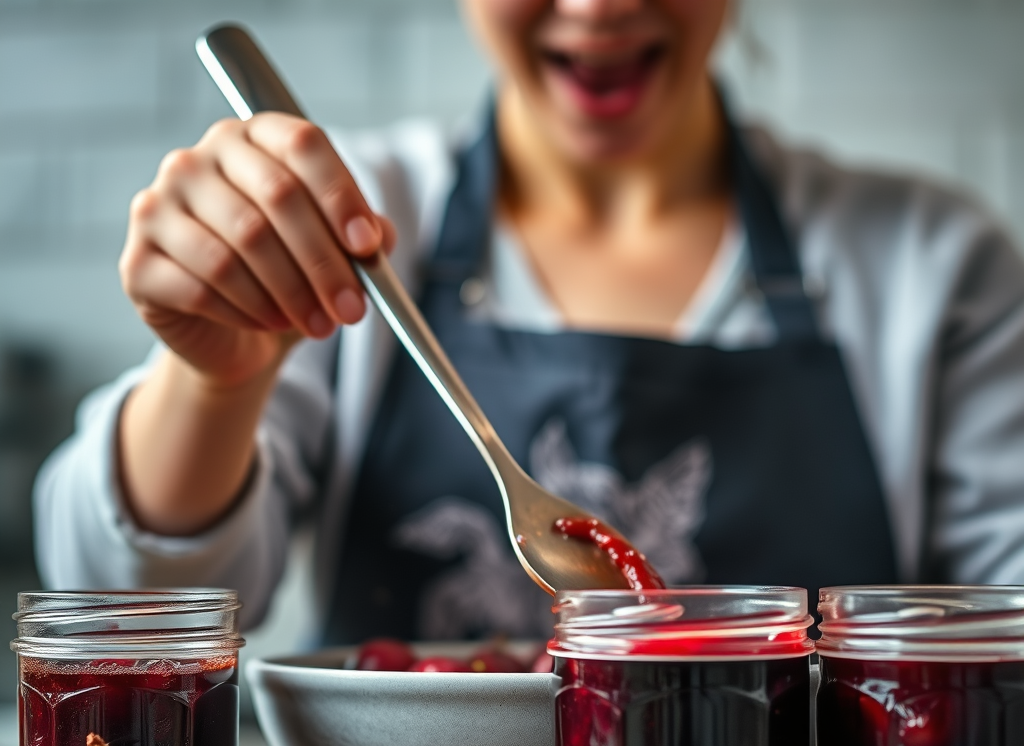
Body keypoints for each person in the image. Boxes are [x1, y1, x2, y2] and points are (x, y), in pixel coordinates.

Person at [36, 0, 1024, 640]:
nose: (599, 7)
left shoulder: (928, 262)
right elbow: (118, 614)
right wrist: (216, 378)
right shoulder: (334, 222)